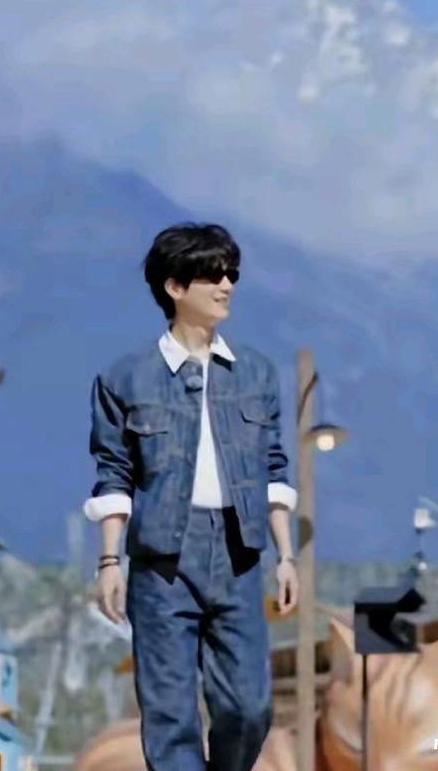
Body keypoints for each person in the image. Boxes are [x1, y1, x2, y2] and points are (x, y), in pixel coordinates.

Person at [83, 222, 299, 771]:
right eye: (213, 275)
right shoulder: (124, 379)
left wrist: (286, 555)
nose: (227, 285)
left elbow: (274, 467)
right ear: (175, 287)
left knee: (249, 708)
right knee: (170, 717)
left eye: (232, 274)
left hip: (239, 554)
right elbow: (114, 474)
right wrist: (109, 562)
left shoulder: (256, 373)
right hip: (161, 561)